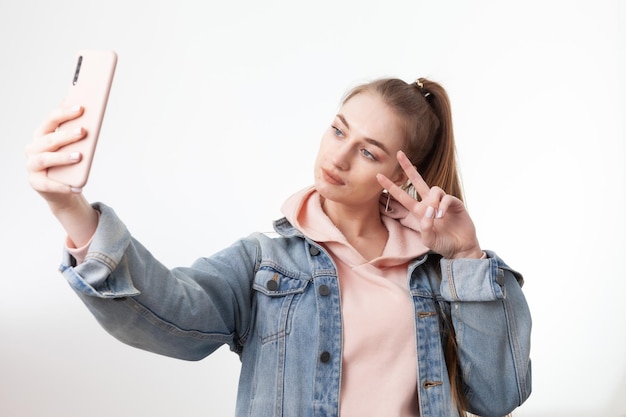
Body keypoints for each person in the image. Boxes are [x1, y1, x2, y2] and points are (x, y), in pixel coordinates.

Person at [26, 77, 532, 417]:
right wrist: (72, 210)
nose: (338, 155)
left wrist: (466, 259)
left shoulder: (436, 272)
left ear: (399, 176)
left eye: (367, 151)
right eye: (338, 129)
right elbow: (171, 317)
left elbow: (498, 395)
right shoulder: (264, 263)